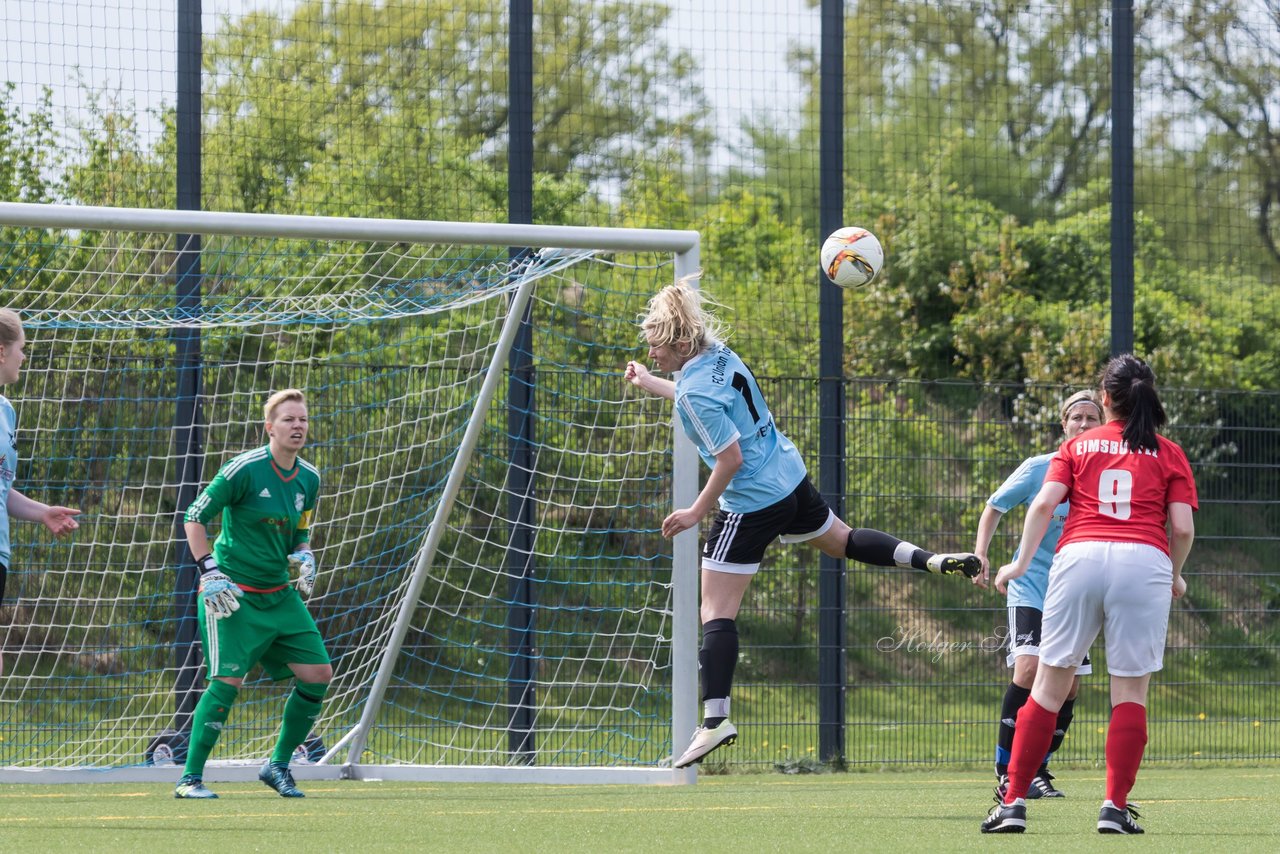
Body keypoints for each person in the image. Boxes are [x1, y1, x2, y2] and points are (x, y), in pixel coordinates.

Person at [624, 278, 981, 769]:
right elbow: (699, 397)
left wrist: (695, 511)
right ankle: (932, 559)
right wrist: (649, 380)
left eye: (657, 346)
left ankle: (714, 720)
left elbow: (726, 457)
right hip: (789, 478)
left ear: (682, 344)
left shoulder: (692, 394)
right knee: (842, 541)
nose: (652, 351)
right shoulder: (720, 355)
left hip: (750, 503)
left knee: (716, 611)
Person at [981, 354, 1196, 835]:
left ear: (1105, 399)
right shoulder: (1169, 452)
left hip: (1078, 558)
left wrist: (1017, 564)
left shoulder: (1077, 446)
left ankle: (1012, 802)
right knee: (1129, 692)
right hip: (1143, 564)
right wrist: (1176, 575)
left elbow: (1042, 505)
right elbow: (1181, 528)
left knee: (1047, 687)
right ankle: (1114, 809)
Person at [175, 388, 328, 799]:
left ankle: (277, 764)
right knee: (227, 681)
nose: (298, 426)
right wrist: (210, 571)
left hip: (279, 594)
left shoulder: (309, 478)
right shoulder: (243, 468)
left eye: (303, 419)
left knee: (318, 674)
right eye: (288, 420)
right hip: (233, 594)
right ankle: (189, 779)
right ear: (269, 427)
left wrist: (304, 554)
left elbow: (300, 531)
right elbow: (194, 516)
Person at [973, 389, 1103, 798]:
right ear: (1063, 425)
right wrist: (981, 555)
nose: (1083, 425)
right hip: (1030, 588)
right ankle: (1006, 770)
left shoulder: (1107, 473)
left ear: (1103, 426)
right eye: (1076, 418)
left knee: (1070, 687)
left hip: (1076, 594)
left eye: (1092, 418)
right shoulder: (1040, 468)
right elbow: (994, 506)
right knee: (1028, 670)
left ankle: (1038, 771)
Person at [0, 309, 82, 677]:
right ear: (2, 351)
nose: (24, 356)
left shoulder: (6, 411)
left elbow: (4, 487)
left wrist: (42, 512)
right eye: (22, 347)